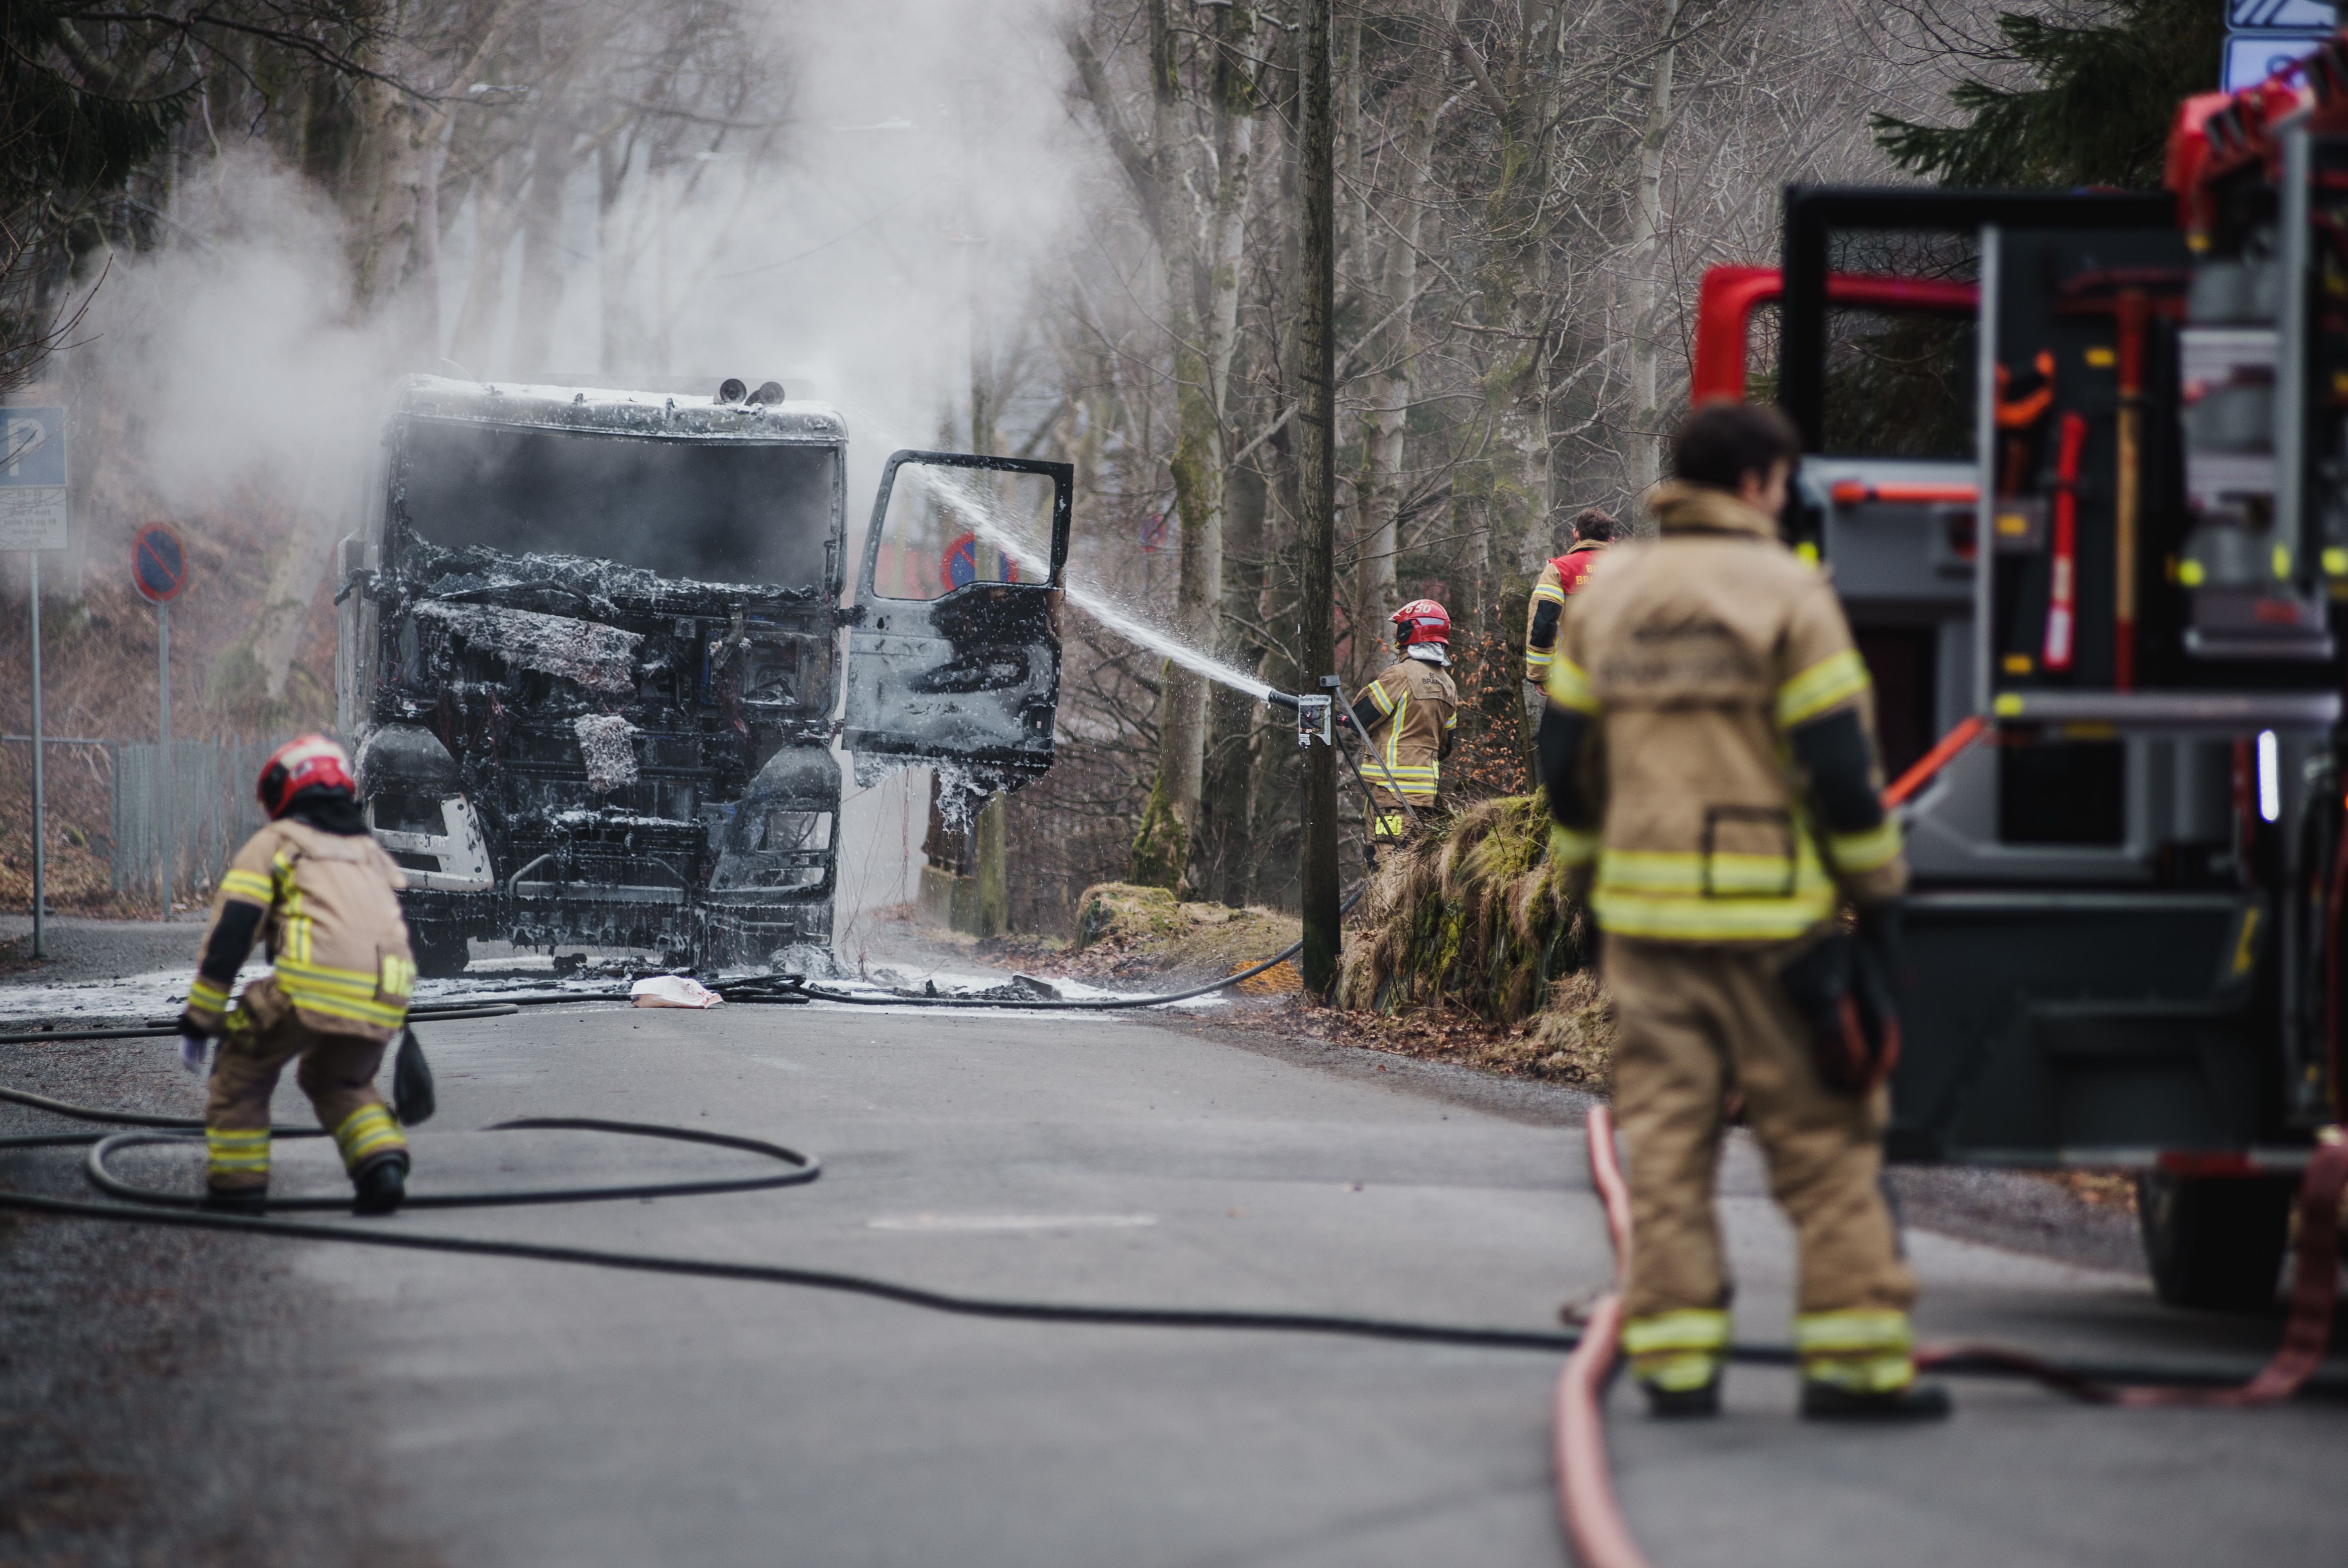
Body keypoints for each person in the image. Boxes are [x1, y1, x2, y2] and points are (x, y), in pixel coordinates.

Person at [1536, 402, 1945, 1421]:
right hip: (1776, 935)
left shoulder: (1608, 599)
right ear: (1759, 481)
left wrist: (1589, 891)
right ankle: (1854, 1366)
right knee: (1826, 1146)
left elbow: (1565, 765)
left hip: (1648, 934)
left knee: (1669, 1151)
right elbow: (1842, 773)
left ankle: (1676, 1366)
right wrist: (1880, 899)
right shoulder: (1791, 594)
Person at [178, 734, 418, 1215]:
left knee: (241, 1072)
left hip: (310, 986)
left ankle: (237, 1189)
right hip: (386, 995)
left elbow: (234, 930)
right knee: (339, 1080)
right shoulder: (370, 853)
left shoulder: (277, 843)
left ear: (283, 792)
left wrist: (202, 1015)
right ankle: (382, 1165)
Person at [1347, 598, 1460, 843]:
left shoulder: (1400, 675)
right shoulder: (1449, 685)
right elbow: (1445, 748)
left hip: (1391, 794)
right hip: (1426, 798)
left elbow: (1358, 719)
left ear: (1409, 633)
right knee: (1412, 859)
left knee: (1385, 858)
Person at [1524, 506, 1622, 688]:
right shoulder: (1633, 569)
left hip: (1576, 678)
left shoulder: (1558, 570)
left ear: (1576, 533)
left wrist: (1539, 675)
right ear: (1611, 540)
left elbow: (1544, 622)